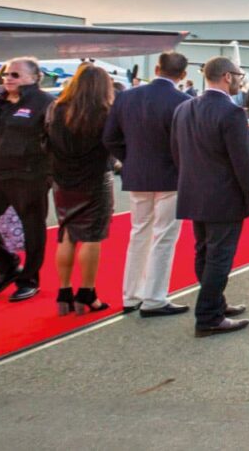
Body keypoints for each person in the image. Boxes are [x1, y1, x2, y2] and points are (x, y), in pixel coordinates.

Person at [173, 56, 249, 337]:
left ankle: (214, 304)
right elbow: (242, 161)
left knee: (204, 252)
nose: (239, 80)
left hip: (193, 191)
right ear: (227, 76)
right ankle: (209, 315)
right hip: (223, 196)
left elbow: (176, 152)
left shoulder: (184, 108)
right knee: (219, 257)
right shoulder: (231, 113)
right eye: (238, 75)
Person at [103, 51, 191, 317]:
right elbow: (185, 144)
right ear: (183, 75)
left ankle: (131, 295)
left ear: (157, 68)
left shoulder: (127, 97)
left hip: (137, 174)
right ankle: (154, 297)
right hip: (171, 176)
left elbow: (110, 137)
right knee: (164, 237)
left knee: (138, 233)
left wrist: (130, 159)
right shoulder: (183, 102)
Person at [0, 56, 54, 303]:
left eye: (15, 75)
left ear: (34, 78)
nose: (8, 78)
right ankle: (7, 264)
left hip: (28, 176)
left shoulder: (46, 103)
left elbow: (56, 140)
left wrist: (50, 173)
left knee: (33, 229)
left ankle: (29, 279)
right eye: (6, 74)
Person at [47, 64, 117, 315]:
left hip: (63, 181)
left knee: (66, 233)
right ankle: (87, 292)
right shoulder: (104, 113)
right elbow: (114, 145)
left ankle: (63, 290)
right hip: (95, 180)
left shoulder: (57, 109)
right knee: (91, 236)